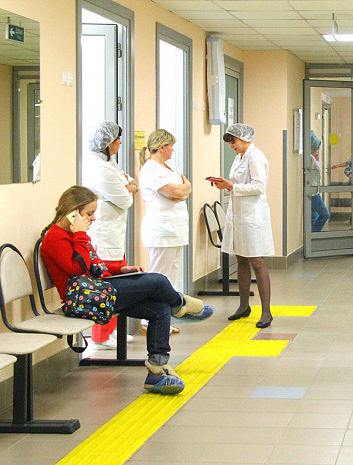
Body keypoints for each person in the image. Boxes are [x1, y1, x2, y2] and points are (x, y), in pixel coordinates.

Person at [41, 186, 213, 394]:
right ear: (72, 213)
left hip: (98, 292)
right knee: (158, 281)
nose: (93, 218)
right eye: (89, 213)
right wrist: (80, 234)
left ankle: (156, 372)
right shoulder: (56, 237)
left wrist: (119, 269)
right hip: (84, 300)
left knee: (159, 309)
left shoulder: (73, 235)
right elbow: (78, 269)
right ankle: (181, 306)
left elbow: (93, 265)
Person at [139, 130, 213, 325]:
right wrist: (182, 189)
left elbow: (184, 189)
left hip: (175, 229)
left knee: (170, 277)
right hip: (162, 230)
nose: (173, 150)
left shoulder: (169, 166)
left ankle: (163, 320)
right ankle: (149, 320)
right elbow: (176, 191)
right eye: (170, 146)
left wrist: (183, 189)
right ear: (161, 147)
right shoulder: (151, 169)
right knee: (158, 277)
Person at [210, 123, 275, 328]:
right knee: (241, 259)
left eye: (233, 141)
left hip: (252, 215)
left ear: (245, 138)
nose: (231, 146)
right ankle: (244, 306)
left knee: (257, 261)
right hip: (238, 214)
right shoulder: (240, 157)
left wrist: (233, 187)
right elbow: (238, 184)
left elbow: (259, 186)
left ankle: (266, 312)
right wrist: (227, 185)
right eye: (229, 142)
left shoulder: (255, 156)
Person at [83, 121, 140, 348]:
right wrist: (128, 190)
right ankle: (101, 336)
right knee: (104, 285)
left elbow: (132, 183)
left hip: (114, 234)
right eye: (117, 139)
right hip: (104, 235)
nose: (120, 143)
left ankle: (111, 331)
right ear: (107, 143)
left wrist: (128, 188)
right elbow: (126, 200)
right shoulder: (101, 168)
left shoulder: (110, 164)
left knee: (116, 285)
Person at [308, 130, 329, 232]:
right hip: (313, 193)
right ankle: (315, 234)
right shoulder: (309, 158)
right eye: (317, 149)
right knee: (325, 214)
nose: (317, 151)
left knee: (313, 217)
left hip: (314, 191)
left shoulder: (310, 158)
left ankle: (312, 236)